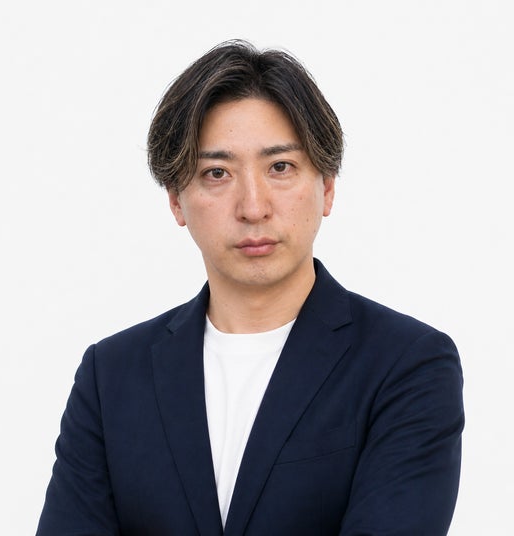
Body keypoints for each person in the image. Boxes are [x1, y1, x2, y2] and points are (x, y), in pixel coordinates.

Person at [37, 40, 464, 535]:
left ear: (326, 187)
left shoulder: (407, 364)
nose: (253, 207)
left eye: (280, 167)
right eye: (217, 173)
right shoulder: (111, 375)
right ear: (176, 200)